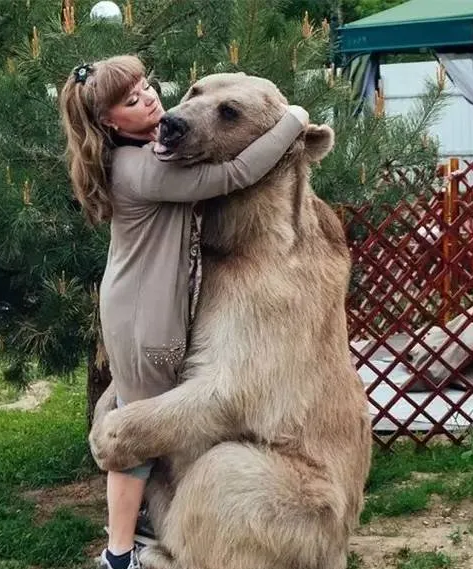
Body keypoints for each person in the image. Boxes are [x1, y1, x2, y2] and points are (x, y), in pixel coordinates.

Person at [59, 55, 309, 569]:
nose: (151, 99)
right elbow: (236, 172)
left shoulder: (142, 152)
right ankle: (120, 552)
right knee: (137, 438)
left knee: (143, 415)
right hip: (146, 313)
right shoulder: (144, 169)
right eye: (131, 101)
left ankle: (139, 528)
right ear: (108, 121)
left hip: (137, 301)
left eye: (147, 87)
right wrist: (294, 120)